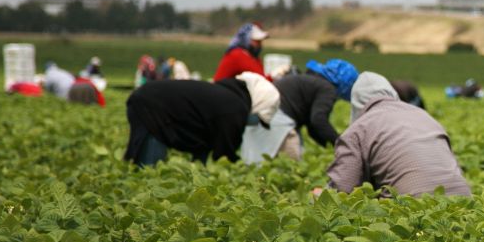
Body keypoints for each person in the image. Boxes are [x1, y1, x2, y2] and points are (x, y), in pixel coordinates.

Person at [326, 72, 471, 197]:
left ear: (356, 104)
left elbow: (342, 191)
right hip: (463, 204)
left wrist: (319, 195)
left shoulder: (358, 129)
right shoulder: (424, 116)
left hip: (414, 209)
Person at [124, 72, 279, 166]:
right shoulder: (235, 109)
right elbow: (225, 154)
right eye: (258, 119)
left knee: (145, 163)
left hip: (146, 99)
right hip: (151, 106)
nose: (254, 124)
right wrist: (244, 173)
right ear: (257, 106)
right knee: (148, 168)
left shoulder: (227, 95)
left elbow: (204, 140)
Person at [267, 59, 359, 160]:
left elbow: (312, 129)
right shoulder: (327, 88)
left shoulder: (311, 81)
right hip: (280, 118)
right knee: (292, 162)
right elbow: (318, 120)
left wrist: (334, 145)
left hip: (266, 115)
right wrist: (341, 144)